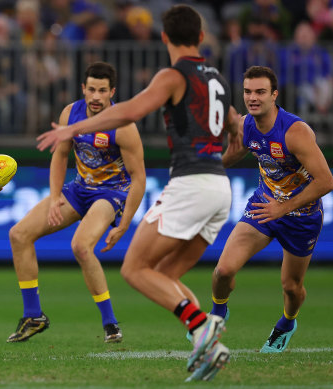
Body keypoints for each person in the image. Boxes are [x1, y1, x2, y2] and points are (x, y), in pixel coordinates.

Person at [37, 5, 238, 382]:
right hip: (220, 187)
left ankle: (203, 325)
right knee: (166, 274)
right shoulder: (220, 80)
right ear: (200, 37)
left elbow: (129, 110)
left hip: (191, 184)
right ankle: (206, 345)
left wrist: (70, 129)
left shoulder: (174, 74)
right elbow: (236, 132)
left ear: (164, 37)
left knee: (133, 268)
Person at [7, 62, 146, 344]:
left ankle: (110, 323)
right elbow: (60, 156)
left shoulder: (124, 126)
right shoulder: (71, 113)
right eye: (91, 89)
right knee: (19, 234)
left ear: (112, 93)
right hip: (79, 189)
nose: (96, 96)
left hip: (112, 193)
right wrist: (56, 195)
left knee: (81, 246)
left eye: (102, 91)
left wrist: (125, 224)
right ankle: (34, 316)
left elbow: (139, 178)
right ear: (83, 88)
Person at [211, 65, 333, 353]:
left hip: (301, 217)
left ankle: (287, 323)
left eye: (260, 92)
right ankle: (218, 314)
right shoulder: (247, 125)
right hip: (264, 206)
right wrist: (206, 168)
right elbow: (237, 151)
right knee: (223, 271)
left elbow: (326, 181)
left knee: (292, 288)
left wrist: (284, 208)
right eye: (247, 92)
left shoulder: (295, 132)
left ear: (274, 95)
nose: (253, 98)